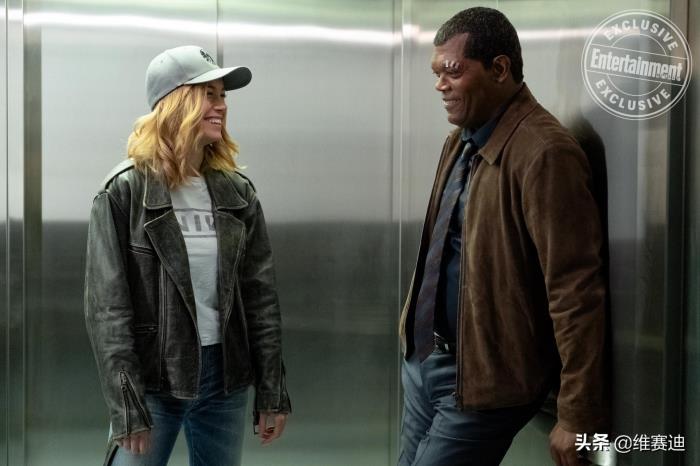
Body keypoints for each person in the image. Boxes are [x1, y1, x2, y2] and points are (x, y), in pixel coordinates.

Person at [398, 8, 609, 466]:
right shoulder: (460, 140)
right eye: (436, 73)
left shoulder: (545, 153)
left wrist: (577, 411)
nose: (440, 85)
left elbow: (575, 290)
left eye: (453, 71)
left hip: (482, 382)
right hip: (424, 361)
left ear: (499, 69)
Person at [84, 45, 290, 466]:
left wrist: (272, 391)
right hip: (153, 382)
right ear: (175, 102)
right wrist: (127, 404)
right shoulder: (124, 191)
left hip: (225, 380)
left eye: (222, 96)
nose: (221, 106)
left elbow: (261, 300)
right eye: (208, 94)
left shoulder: (238, 193)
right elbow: (108, 310)